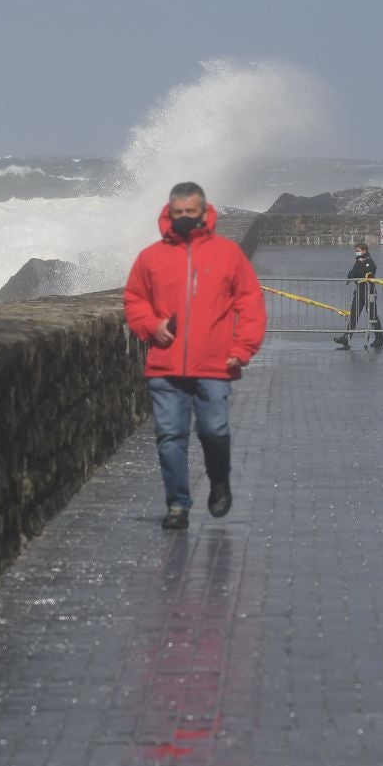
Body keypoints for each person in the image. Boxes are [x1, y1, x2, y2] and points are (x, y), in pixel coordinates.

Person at [123, 181, 267, 531]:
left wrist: (242, 349)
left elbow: (250, 303)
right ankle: (177, 505)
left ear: (205, 212)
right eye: (178, 213)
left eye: (191, 212)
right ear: (169, 214)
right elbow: (134, 300)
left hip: (215, 364)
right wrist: (152, 326)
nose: (184, 218)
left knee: (214, 430)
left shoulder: (227, 254)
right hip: (165, 365)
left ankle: (219, 480)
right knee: (170, 436)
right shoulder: (151, 257)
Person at [334, 242, 383, 349]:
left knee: (372, 316)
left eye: (358, 251)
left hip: (369, 291)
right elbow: (350, 274)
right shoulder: (359, 261)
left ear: (364, 250)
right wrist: (357, 269)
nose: (357, 253)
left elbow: (362, 273)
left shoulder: (369, 262)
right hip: (359, 291)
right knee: (353, 315)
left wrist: (357, 269)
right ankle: (346, 338)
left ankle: (379, 339)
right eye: (356, 251)